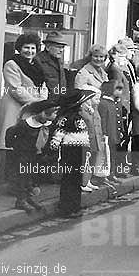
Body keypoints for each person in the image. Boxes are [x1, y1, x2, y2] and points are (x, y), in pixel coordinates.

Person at [0, 33, 48, 190]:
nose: (30, 51)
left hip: (32, 109)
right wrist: (36, 103)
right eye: (26, 47)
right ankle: (13, 185)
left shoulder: (37, 66)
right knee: (15, 146)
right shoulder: (12, 64)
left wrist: (43, 101)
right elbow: (15, 89)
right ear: (20, 48)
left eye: (33, 48)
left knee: (29, 147)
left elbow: (43, 87)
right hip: (16, 108)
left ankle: (25, 184)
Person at [4, 99, 59, 212]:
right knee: (23, 177)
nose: (55, 115)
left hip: (36, 154)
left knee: (32, 177)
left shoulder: (47, 125)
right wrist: (15, 146)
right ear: (43, 113)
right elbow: (11, 132)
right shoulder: (25, 125)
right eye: (53, 113)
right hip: (23, 154)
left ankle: (29, 198)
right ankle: (20, 200)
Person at [49, 89, 96, 218]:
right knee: (69, 178)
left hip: (80, 150)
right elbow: (60, 132)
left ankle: (75, 206)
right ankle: (66, 207)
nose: (86, 105)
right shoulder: (67, 119)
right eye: (84, 103)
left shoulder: (82, 118)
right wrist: (55, 142)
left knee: (76, 178)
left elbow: (87, 133)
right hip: (70, 150)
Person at [74, 44, 109, 192]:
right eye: (96, 56)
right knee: (87, 148)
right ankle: (82, 181)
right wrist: (87, 108)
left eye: (101, 57)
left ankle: (87, 179)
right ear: (90, 56)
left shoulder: (102, 72)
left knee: (96, 147)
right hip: (87, 112)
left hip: (97, 112)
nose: (98, 59)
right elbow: (79, 93)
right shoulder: (84, 73)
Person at [109, 42, 136, 176]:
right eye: (123, 57)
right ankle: (118, 169)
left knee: (124, 138)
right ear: (115, 56)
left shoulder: (120, 68)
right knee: (120, 139)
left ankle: (120, 166)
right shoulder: (115, 69)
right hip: (120, 107)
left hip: (125, 106)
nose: (125, 60)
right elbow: (116, 90)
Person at [98, 80, 124, 184]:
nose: (120, 92)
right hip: (108, 134)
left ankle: (111, 173)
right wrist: (104, 134)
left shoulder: (116, 102)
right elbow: (103, 120)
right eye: (118, 89)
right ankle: (104, 175)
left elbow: (119, 118)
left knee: (113, 154)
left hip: (114, 134)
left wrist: (121, 130)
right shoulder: (104, 103)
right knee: (106, 156)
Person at [34, 31, 68, 98]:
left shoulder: (59, 61)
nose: (61, 50)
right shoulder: (38, 61)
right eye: (58, 47)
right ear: (48, 47)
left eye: (62, 47)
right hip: (45, 102)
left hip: (59, 101)